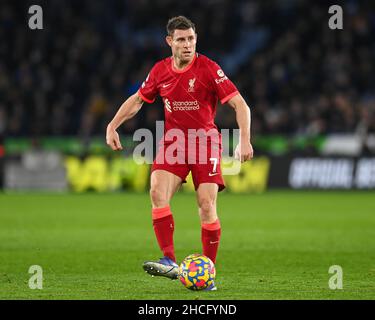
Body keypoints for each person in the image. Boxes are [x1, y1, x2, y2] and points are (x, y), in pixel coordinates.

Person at [106, 16, 253, 291]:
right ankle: (170, 260)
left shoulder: (209, 68)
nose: (188, 45)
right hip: (173, 143)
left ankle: (208, 272)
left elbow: (241, 105)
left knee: (206, 206)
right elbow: (138, 99)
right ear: (169, 41)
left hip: (205, 142)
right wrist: (113, 125)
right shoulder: (160, 70)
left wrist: (244, 140)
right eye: (182, 40)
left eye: (192, 39)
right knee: (156, 193)